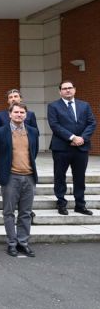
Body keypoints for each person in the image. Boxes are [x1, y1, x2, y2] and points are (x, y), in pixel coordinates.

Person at [0, 102, 39, 257]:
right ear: (9, 114)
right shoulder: (0, 132)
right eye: (16, 112)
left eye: (22, 112)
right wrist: (4, 168)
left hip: (29, 177)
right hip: (10, 177)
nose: (19, 115)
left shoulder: (32, 131)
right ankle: (12, 243)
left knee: (26, 212)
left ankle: (23, 243)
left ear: (26, 115)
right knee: (9, 212)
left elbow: (34, 151)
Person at [47, 80, 97, 216]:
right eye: (64, 89)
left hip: (81, 147)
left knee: (79, 177)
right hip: (61, 147)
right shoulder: (53, 106)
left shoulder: (84, 105)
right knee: (59, 176)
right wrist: (72, 137)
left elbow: (91, 123)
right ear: (60, 91)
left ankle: (80, 205)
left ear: (74, 89)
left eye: (70, 88)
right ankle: (61, 204)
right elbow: (54, 125)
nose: (67, 90)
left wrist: (82, 138)